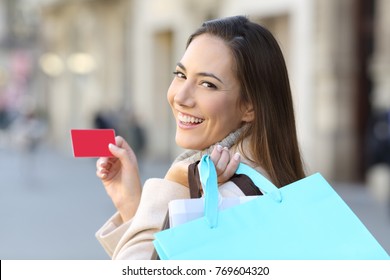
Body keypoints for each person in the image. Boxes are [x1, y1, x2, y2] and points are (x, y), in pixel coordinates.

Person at [95, 15, 305, 260]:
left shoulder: (230, 200)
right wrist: (133, 207)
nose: (181, 97)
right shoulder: (240, 182)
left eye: (207, 84)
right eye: (181, 75)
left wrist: (174, 185)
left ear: (250, 106)